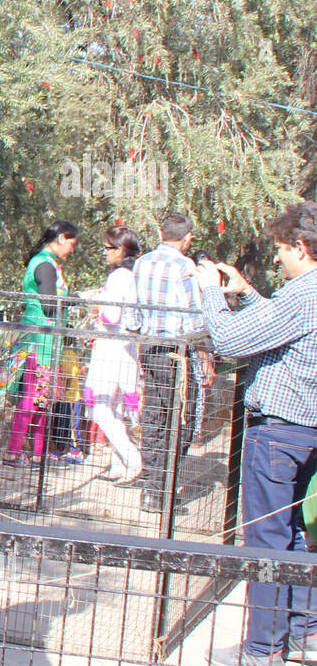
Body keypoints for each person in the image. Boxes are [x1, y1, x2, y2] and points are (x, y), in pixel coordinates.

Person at [193, 202, 317, 666]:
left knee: (265, 538)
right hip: (307, 433)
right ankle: (305, 632)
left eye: (283, 250)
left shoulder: (303, 292)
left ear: (301, 247)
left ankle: (263, 649)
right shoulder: (304, 296)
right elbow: (281, 327)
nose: (279, 259)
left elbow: (231, 343)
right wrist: (245, 294)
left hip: (278, 433)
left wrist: (210, 295)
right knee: (299, 534)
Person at [122, 214, 215, 512]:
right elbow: (194, 317)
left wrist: (139, 339)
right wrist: (204, 358)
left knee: (154, 417)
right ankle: (162, 488)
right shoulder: (184, 266)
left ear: (161, 233)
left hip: (150, 348)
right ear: (187, 239)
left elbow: (132, 311)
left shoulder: (142, 262)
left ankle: (151, 487)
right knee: (182, 420)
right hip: (177, 354)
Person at [3, 221, 78, 467]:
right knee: (32, 399)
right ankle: (13, 453)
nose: (72, 250)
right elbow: (48, 305)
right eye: (72, 244)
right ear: (62, 238)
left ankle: (37, 452)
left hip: (47, 343)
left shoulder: (47, 263)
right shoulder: (44, 265)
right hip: (39, 343)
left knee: (42, 400)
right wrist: (75, 299)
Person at [84, 226, 143, 482]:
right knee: (114, 407)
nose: (105, 253)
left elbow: (111, 315)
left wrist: (96, 304)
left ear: (121, 250)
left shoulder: (120, 276)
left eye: (108, 248)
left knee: (99, 406)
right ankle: (119, 464)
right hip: (122, 348)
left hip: (110, 348)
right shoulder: (130, 275)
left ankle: (132, 458)